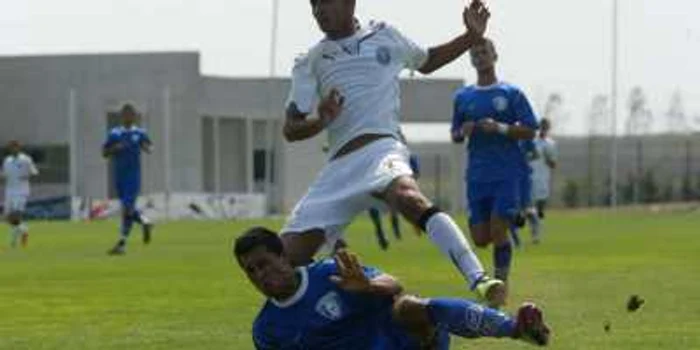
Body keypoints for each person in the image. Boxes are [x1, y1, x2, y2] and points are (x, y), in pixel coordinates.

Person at [281, 0, 506, 307]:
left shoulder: (385, 35)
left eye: (326, 1)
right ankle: (346, 310)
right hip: (338, 168)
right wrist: (321, 120)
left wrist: (470, 36)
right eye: (313, 3)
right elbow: (291, 129)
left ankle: (479, 279)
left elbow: (427, 60)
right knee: (283, 263)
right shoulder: (310, 60)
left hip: (381, 152)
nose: (319, 9)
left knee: (408, 196)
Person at [234, 226, 551, 349]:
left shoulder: (330, 272)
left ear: (284, 257)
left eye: (264, 263)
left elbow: (393, 284)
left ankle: (516, 329)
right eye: (251, 271)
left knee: (409, 305)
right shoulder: (267, 330)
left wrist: (368, 285)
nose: (260, 275)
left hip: (410, 341)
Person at [451, 38, 538, 283]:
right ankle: (513, 217)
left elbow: (531, 130)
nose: (480, 56)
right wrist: (463, 131)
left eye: (484, 51)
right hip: (478, 176)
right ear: (471, 60)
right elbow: (455, 134)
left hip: (506, 173)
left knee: (498, 230)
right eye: (475, 53)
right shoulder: (463, 97)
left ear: (494, 55)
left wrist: (499, 128)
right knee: (480, 238)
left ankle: (500, 285)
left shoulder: (511, 94)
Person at [103, 104, 154, 255]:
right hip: (119, 175)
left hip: (133, 175)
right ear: (122, 116)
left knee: (127, 208)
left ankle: (122, 243)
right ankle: (145, 221)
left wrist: (146, 147)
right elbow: (104, 152)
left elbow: (150, 147)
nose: (128, 116)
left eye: (131, 114)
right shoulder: (114, 133)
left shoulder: (139, 133)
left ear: (134, 116)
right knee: (127, 208)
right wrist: (114, 149)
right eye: (125, 114)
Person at [368, 153, 421, 250]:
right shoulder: (379, 155)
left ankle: (397, 233)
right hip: (382, 182)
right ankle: (381, 230)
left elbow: (416, 172)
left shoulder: (407, 155)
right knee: (373, 202)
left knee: (396, 207)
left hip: (397, 183)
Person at [1, 140, 39, 248]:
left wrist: (27, 175)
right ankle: (24, 230)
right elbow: (4, 174)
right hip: (9, 191)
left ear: (19, 147)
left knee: (16, 216)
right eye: (11, 147)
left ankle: (13, 242)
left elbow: (34, 172)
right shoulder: (7, 160)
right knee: (8, 218)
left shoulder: (26, 160)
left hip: (21, 191)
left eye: (15, 147)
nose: (13, 149)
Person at [529, 118, 557, 244]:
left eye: (545, 127)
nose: (543, 129)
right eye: (541, 127)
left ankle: (537, 235)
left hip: (543, 179)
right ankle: (534, 231)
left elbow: (553, 164)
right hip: (530, 177)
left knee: (540, 208)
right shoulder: (532, 142)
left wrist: (547, 158)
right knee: (529, 207)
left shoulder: (551, 144)